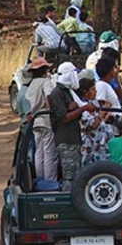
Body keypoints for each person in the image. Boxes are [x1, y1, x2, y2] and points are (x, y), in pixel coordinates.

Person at [49, 62, 97, 190]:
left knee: (76, 175)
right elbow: (64, 117)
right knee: (69, 177)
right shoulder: (57, 93)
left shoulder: (68, 92)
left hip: (73, 138)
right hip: (66, 139)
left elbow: (72, 112)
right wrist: (84, 108)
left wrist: (76, 109)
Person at [26, 57, 58, 181]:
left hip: (35, 120)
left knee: (38, 151)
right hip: (45, 119)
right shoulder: (45, 82)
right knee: (49, 152)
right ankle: (50, 181)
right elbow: (49, 96)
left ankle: (39, 179)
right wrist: (52, 111)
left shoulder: (31, 85)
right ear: (45, 71)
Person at [76, 78, 113, 166]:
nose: (96, 92)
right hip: (90, 147)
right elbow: (93, 125)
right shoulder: (83, 106)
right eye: (93, 89)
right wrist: (103, 112)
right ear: (85, 91)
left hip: (100, 146)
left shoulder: (93, 104)